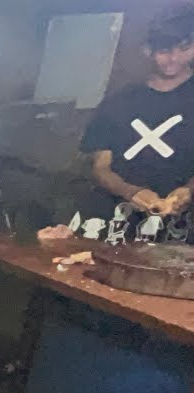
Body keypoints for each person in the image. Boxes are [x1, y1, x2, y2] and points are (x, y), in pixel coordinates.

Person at [82, 6, 194, 242]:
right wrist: (131, 192)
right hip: (119, 224)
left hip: (183, 231)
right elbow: (101, 167)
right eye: (164, 51)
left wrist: (188, 191)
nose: (174, 59)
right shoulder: (119, 101)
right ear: (147, 51)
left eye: (184, 48)